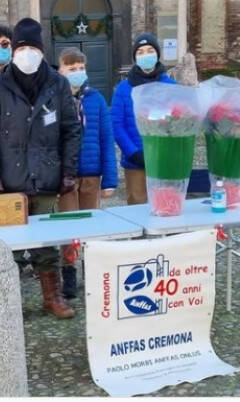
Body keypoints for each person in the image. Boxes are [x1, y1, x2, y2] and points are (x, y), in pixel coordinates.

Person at [0, 17, 81, 319]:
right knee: (7, 244)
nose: (27, 53)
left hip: (47, 175)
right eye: (22, 47)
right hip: (9, 177)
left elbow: (71, 130)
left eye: (33, 47)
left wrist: (68, 171)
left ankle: (53, 297)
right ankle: (6, 302)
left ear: (42, 50)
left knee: (46, 243)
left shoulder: (57, 84)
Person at [56, 47, 117, 298]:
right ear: (61, 71)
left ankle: (92, 271)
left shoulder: (97, 100)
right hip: (66, 177)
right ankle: (69, 273)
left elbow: (106, 138)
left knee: (92, 227)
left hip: (92, 174)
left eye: (81, 68)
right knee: (68, 228)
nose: (77, 73)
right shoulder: (55, 99)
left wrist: (110, 178)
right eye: (72, 69)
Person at [111, 33, 176, 205]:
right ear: (135, 58)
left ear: (157, 54)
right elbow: (117, 125)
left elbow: (179, 121)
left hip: (164, 157)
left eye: (149, 51)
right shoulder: (123, 89)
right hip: (136, 160)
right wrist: (132, 152)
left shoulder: (171, 86)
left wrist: (169, 149)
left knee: (165, 204)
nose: (145, 55)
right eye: (140, 52)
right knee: (137, 205)